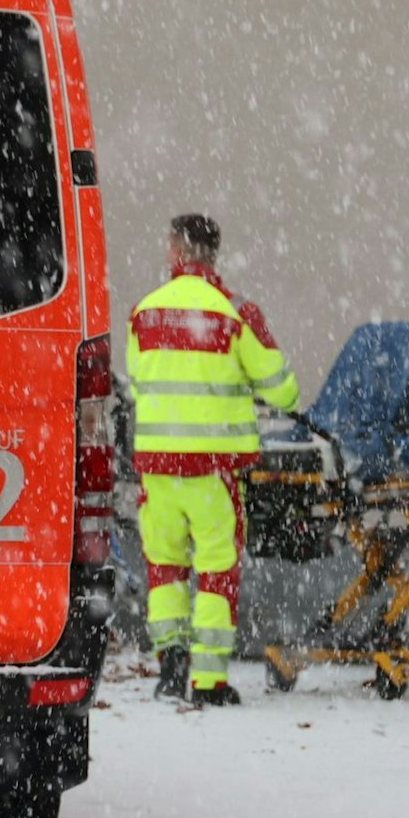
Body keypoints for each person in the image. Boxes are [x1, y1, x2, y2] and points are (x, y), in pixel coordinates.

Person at [129, 214, 298, 705]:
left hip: (157, 471)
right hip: (212, 472)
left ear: (175, 251)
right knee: (216, 573)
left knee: (164, 568)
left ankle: (170, 668)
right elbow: (282, 389)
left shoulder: (144, 312)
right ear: (213, 252)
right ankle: (208, 682)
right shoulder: (236, 312)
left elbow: (139, 381)